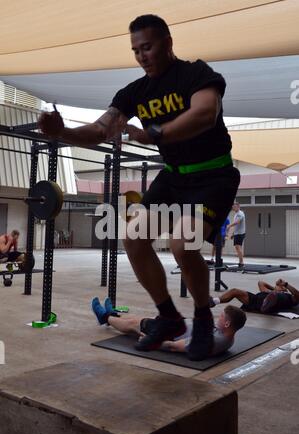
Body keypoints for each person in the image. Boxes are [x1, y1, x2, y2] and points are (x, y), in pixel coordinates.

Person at [38, 14, 240, 360]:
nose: (142, 55)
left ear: (167, 43)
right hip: (174, 176)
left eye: (147, 47)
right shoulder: (135, 92)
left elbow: (205, 112)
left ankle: (204, 319)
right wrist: (62, 133)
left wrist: (155, 134)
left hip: (212, 175)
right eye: (135, 50)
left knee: (183, 244)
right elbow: (102, 130)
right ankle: (169, 316)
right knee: (133, 235)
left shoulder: (197, 74)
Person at [91, 297, 247, 357]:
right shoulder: (228, 334)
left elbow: (174, 347)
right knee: (140, 319)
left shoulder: (212, 341)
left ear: (227, 323)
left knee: (133, 324)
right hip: (177, 325)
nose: (217, 318)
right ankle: (113, 315)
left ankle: (105, 317)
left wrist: (153, 341)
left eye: (221, 317)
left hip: (169, 333)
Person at [209, 278, 299, 314]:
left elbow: (297, 296)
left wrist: (286, 285)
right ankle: (213, 301)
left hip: (275, 301)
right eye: (278, 286)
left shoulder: (288, 297)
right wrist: (274, 289)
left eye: (280, 286)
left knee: (273, 297)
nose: (279, 286)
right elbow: (261, 282)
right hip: (256, 300)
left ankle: (267, 306)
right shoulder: (267, 291)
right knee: (234, 291)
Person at [226, 202, 245, 267]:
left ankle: (241, 262)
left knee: (238, 247)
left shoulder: (240, 213)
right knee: (238, 247)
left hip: (240, 233)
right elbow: (237, 226)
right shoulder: (236, 214)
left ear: (238, 206)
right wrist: (233, 234)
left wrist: (229, 226)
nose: (233, 208)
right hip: (237, 233)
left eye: (234, 207)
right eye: (233, 207)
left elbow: (237, 222)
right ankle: (240, 261)